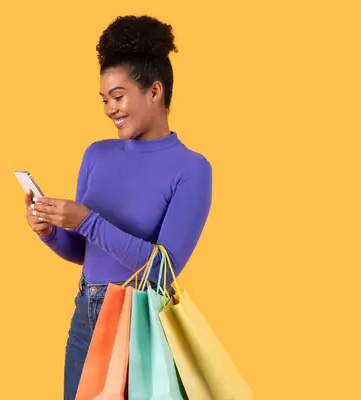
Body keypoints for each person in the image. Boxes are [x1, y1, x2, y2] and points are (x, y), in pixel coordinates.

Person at [24, 15, 212, 400]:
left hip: (138, 323)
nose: (110, 108)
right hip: (85, 316)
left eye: (119, 96)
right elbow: (82, 250)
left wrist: (88, 221)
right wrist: (49, 232)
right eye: (105, 100)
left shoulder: (192, 169)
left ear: (155, 91)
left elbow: (162, 270)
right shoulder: (96, 154)